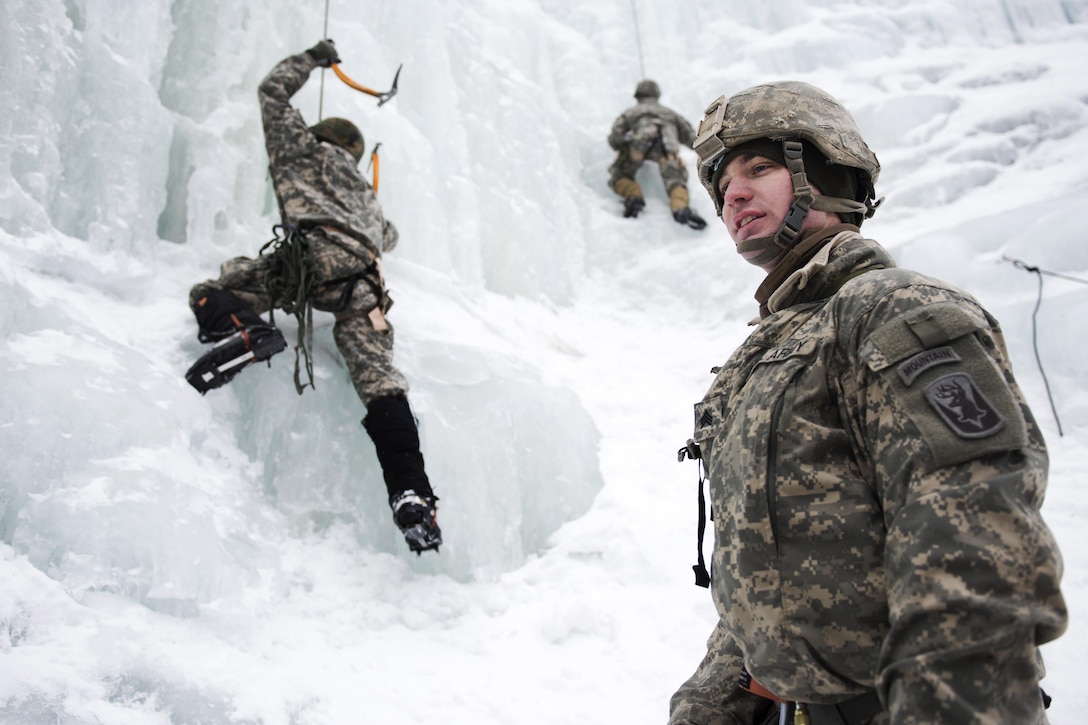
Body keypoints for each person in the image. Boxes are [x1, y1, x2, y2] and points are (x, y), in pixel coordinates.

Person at [669, 81, 1067, 724]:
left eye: (760, 167)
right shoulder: (773, 348)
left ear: (828, 170)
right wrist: (714, 704)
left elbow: (977, 540)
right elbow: (773, 570)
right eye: (720, 187)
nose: (731, 194)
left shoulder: (891, 310)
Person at [184, 40, 442, 555]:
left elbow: (271, 93)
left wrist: (312, 59)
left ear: (319, 138)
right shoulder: (365, 194)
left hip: (310, 261)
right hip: (365, 287)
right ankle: (410, 494)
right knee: (380, 384)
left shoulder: (299, 149)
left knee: (214, 291)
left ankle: (251, 330)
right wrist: (364, 200)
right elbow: (388, 237)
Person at [607, 79, 706, 229]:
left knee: (620, 174)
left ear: (638, 96)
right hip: (667, 149)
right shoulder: (671, 114)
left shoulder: (630, 112)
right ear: (657, 95)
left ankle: (633, 197)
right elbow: (693, 139)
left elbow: (615, 138)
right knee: (675, 180)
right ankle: (680, 208)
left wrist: (625, 147)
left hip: (639, 146)